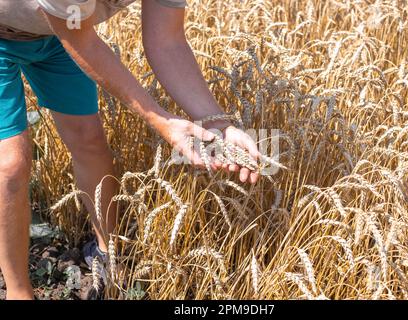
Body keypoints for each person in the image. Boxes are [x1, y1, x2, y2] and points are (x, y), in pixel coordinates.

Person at [0, 0, 260, 300]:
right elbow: (81, 40)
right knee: (11, 164)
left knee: (90, 140)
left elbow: (168, 41)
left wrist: (218, 123)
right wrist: (162, 121)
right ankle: (19, 292)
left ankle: (109, 256)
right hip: (50, 32)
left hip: (59, 34)